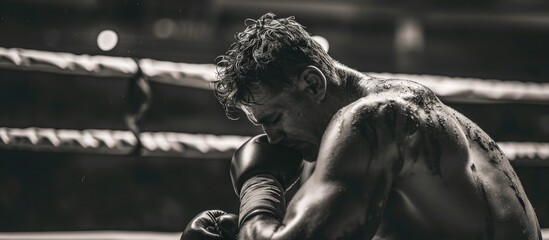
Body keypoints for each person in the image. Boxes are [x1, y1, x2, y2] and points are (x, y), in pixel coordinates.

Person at [181, 13, 542, 240]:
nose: (270, 139)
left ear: (313, 83)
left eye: (274, 119)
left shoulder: (374, 122)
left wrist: (258, 188)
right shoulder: (399, 111)